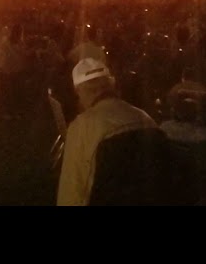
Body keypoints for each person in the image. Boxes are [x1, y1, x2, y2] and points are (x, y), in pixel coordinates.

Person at [56, 57, 158, 206]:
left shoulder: (81, 127)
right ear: (111, 84)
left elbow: (72, 189)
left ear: (80, 91)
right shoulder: (145, 118)